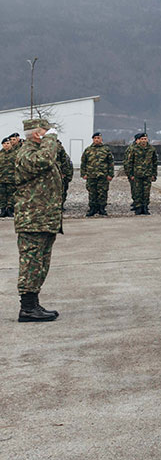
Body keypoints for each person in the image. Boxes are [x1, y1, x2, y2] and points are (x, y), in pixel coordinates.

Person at [12, 118, 64, 322]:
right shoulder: (27, 154)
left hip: (43, 219)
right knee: (31, 262)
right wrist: (50, 138)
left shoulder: (36, 152)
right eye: (45, 131)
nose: (50, 135)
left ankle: (33, 304)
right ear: (37, 134)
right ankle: (27, 308)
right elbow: (44, 161)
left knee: (40, 263)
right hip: (32, 219)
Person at [80, 132, 115, 217]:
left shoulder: (106, 150)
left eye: (98, 138)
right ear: (93, 139)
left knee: (102, 192)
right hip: (91, 175)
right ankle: (92, 208)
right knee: (92, 192)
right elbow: (83, 163)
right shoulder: (88, 150)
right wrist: (83, 173)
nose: (97, 140)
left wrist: (110, 174)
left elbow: (110, 163)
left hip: (103, 175)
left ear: (101, 139)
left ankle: (102, 208)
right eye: (95, 138)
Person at [124, 132, 157, 215]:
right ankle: (138, 208)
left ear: (147, 140)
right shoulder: (134, 149)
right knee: (137, 191)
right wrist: (130, 174)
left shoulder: (151, 149)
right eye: (142, 139)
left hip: (147, 174)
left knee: (146, 192)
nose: (143, 141)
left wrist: (154, 174)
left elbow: (154, 163)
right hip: (137, 174)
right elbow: (129, 162)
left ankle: (145, 207)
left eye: (145, 139)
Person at [0, 134, 20, 217]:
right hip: (1, 178)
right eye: (4, 144)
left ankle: (9, 209)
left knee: (11, 194)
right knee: (2, 195)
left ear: (11, 144)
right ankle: (3, 209)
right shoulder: (0, 154)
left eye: (8, 143)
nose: (6, 145)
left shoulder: (15, 154)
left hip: (12, 178)